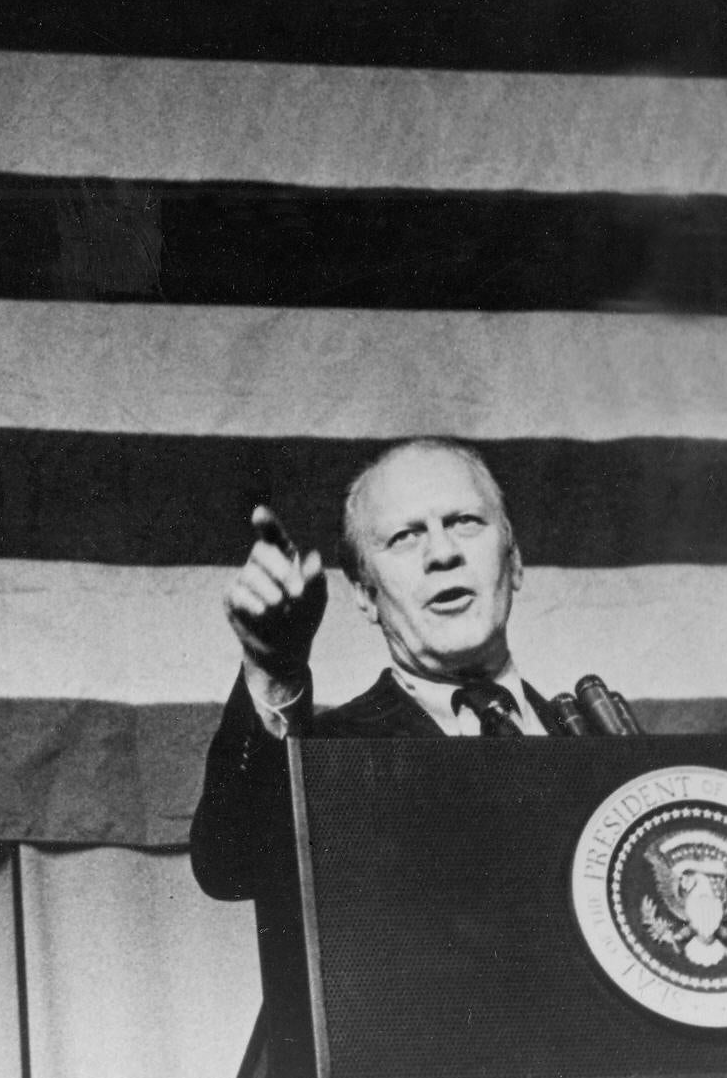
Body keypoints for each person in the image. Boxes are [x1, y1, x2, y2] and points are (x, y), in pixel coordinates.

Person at [189, 438, 557, 1078]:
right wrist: (272, 671)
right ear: (363, 595)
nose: (443, 553)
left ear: (515, 562)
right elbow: (229, 862)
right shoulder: (331, 758)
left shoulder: (603, 746)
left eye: (464, 523)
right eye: (405, 537)